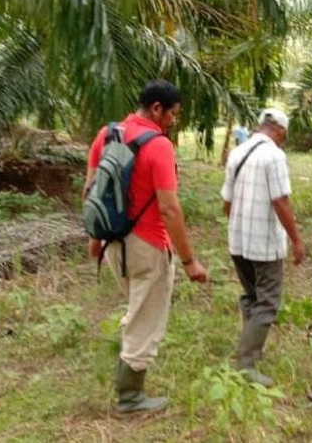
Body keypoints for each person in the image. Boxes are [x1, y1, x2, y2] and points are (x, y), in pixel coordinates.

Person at [84, 79, 210, 414]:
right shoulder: (159, 146)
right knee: (146, 318)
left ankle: (129, 376)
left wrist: (95, 239)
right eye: (173, 114)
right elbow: (169, 208)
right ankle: (130, 397)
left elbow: (92, 191)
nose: (173, 121)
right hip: (148, 244)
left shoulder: (106, 134)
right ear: (157, 108)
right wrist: (189, 261)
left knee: (136, 307)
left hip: (113, 243)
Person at [220, 108, 306, 386]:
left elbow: (227, 203)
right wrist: (296, 240)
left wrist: (240, 222)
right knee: (268, 301)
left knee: (252, 295)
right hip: (263, 242)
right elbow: (280, 201)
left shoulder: (238, 152)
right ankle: (246, 365)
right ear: (279, 130)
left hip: (238, 240)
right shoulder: (274, 155)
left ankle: (250, 350)